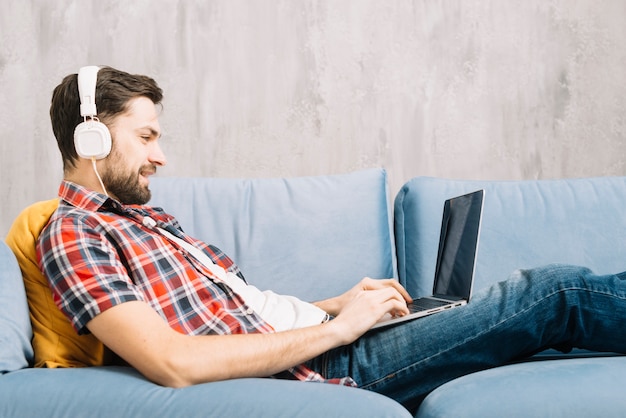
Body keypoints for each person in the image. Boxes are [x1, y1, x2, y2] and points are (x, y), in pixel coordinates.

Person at [38, 66, 626, 413]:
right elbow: (172, 360)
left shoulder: (139, 219)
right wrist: (342, 331)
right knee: (552, 294)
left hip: (324, 338)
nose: (159, 156)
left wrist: (338, 307)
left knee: (540, 318)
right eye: (145, 137)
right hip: (331, 362)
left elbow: (239, 318)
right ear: (91, 140)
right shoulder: (74, 235)